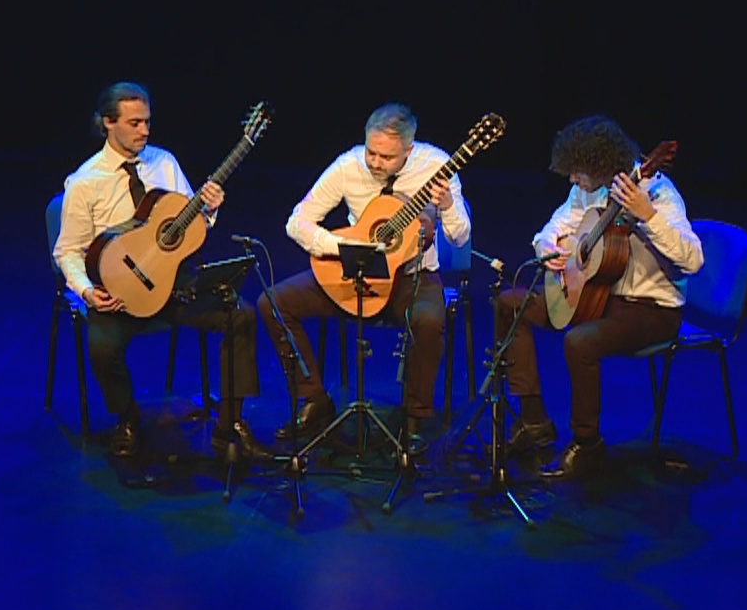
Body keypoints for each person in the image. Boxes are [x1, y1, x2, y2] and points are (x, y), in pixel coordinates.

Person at [51, 82, 269, 461]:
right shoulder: (84, 182)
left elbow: (186, 227)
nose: (144, 131)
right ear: (108, 123)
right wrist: (87, 291)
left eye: (147, 122)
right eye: (134, 123)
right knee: (102, 346)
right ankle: (128, 418)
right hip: (118, 290)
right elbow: (68, 251)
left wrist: (208, 208)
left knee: (242, 314)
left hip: (172, 283)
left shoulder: (163, 163)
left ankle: (229, 425)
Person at [494, 115, 703, 479]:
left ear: (600, 164)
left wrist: (647, 215)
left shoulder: (658, 193)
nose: (573, 179)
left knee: (580, 343)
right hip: (599, 296)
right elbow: (551, 229)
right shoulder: (587, 191)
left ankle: (588, 444)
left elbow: (693, 259)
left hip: (650, 310)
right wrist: (551, 248)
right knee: (510, 303)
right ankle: (534, 421)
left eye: (578, 172)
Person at [255, 103, 470, 454]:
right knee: (272, 302)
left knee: (430, 321)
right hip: (353, 274)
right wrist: (343, 246)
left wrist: (446, 205)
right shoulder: (348, 166)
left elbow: (461, 237)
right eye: (371, 151)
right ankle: (314, 400)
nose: (374, 162)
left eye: (386, 156)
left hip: (411, 278)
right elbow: (297, 222)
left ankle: (414, 419)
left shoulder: (437, 166)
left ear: (408, 150)